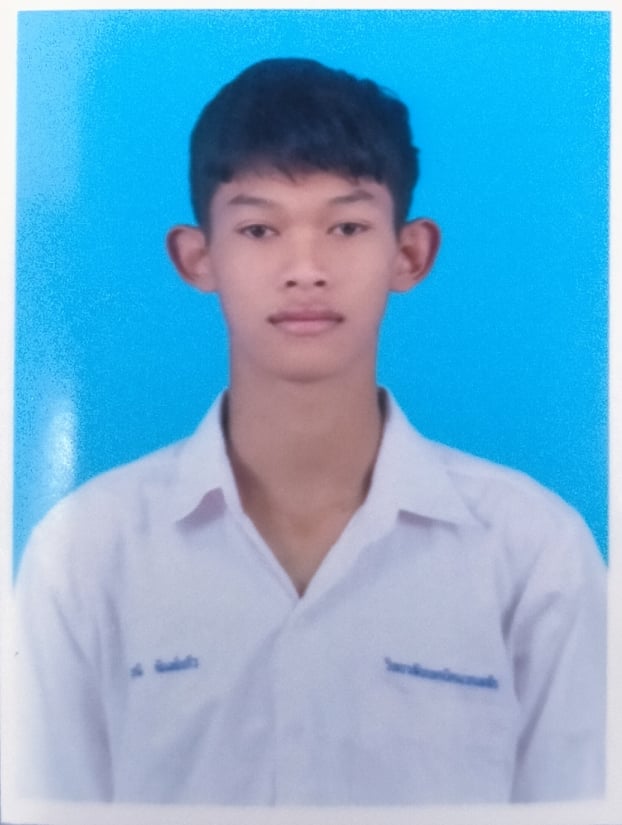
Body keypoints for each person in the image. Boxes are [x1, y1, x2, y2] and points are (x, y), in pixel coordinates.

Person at [8, 57, 605, 806]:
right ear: (198, 258)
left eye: (347, 226)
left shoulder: (534, 554)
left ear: (410, 254)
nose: (305, 269)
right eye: (259, 228)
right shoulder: (88, 553)